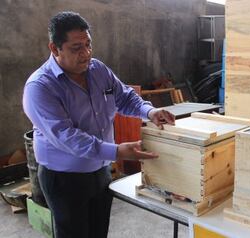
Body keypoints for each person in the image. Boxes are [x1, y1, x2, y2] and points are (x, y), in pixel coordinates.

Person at [22, 11, 175, 238]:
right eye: (76, 48)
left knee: (98, 231)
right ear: (55, 49)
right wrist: (116, 151)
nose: (86, 54)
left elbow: (124, 97)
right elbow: (66, 136)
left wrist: (149, 111)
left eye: (88, 44)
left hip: (100, 171)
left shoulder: (98, 70)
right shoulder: (40, 87)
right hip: (64, 178)